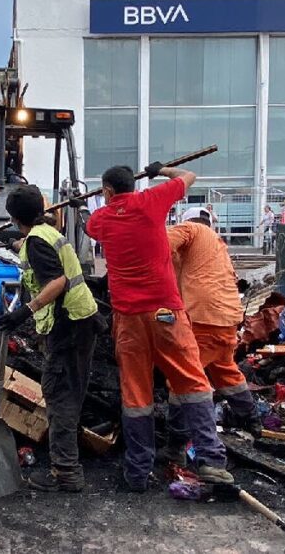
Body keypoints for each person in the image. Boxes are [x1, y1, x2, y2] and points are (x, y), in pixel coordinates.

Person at [86, 164, 232, 491]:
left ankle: (137, 473)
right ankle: (210, 459)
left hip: (128, 318)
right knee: (192, 382)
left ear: (107, 192)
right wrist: (161, 170)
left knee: (137, 394)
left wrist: (105, 202)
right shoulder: (153, 199)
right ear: (133, 186)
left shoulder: (102, 219)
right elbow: (191, 176)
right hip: (166, 311)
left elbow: (91, 226)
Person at [0, 185, 100, 493]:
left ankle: (66, 471)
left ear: (14, 217)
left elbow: (57, 279)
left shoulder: (38, 241)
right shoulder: (44, 232)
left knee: (59, 394)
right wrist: (14, 243)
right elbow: (39, 254)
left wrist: (24, 311)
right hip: (81, 320)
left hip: (68, 325)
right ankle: (67, 462)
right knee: (69, 391)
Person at [164, 212, 262, 460]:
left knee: (182, 379)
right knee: (224, 369)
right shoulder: (215, 246)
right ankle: (252, 421)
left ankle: (178, 446)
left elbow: (157, 244)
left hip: (205, 318)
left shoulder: (191, 230)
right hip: (227, 318)